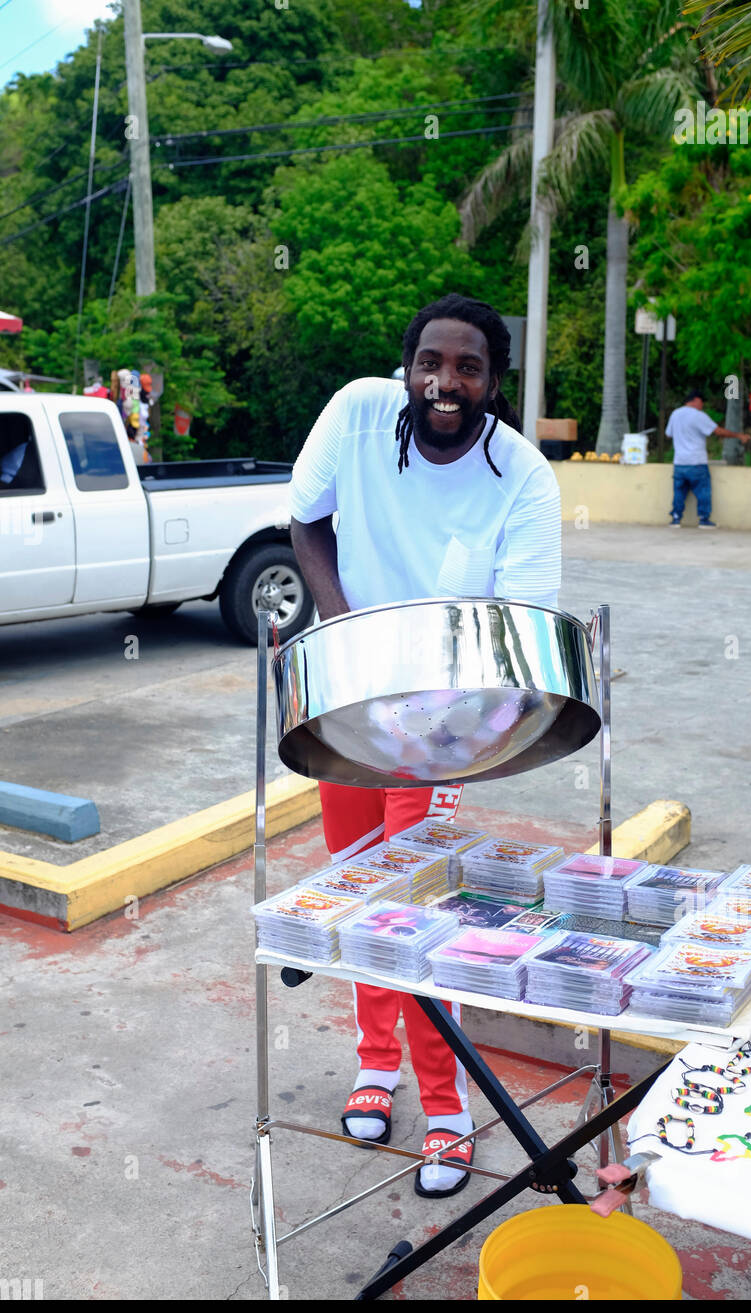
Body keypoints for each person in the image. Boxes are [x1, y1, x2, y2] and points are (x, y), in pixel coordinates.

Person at [287, 293, 561, 1197]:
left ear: (494, 381)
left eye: (468, 367)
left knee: (416, 908)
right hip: (354, 701)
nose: (446, 383)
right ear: (407, 366)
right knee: (362, 897)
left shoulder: (521, 477)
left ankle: (445, 1108)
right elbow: (307, 521)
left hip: (445, 717)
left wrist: (438, 713)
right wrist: (346, 639)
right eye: (431, 363)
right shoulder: (357, 414)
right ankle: (376, 1066)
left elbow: (517, 628)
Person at [665, 388, 750, 528]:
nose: (702, 405)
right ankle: (704, 519)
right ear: (696, 400)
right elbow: (716, 431)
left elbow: (668, 434)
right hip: (696, 462)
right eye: (702, 402)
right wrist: (738, 436)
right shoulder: (698, 416)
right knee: (703, 491)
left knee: (679, 492)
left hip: (679, 462)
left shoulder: (675, 414)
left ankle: (675, 518)